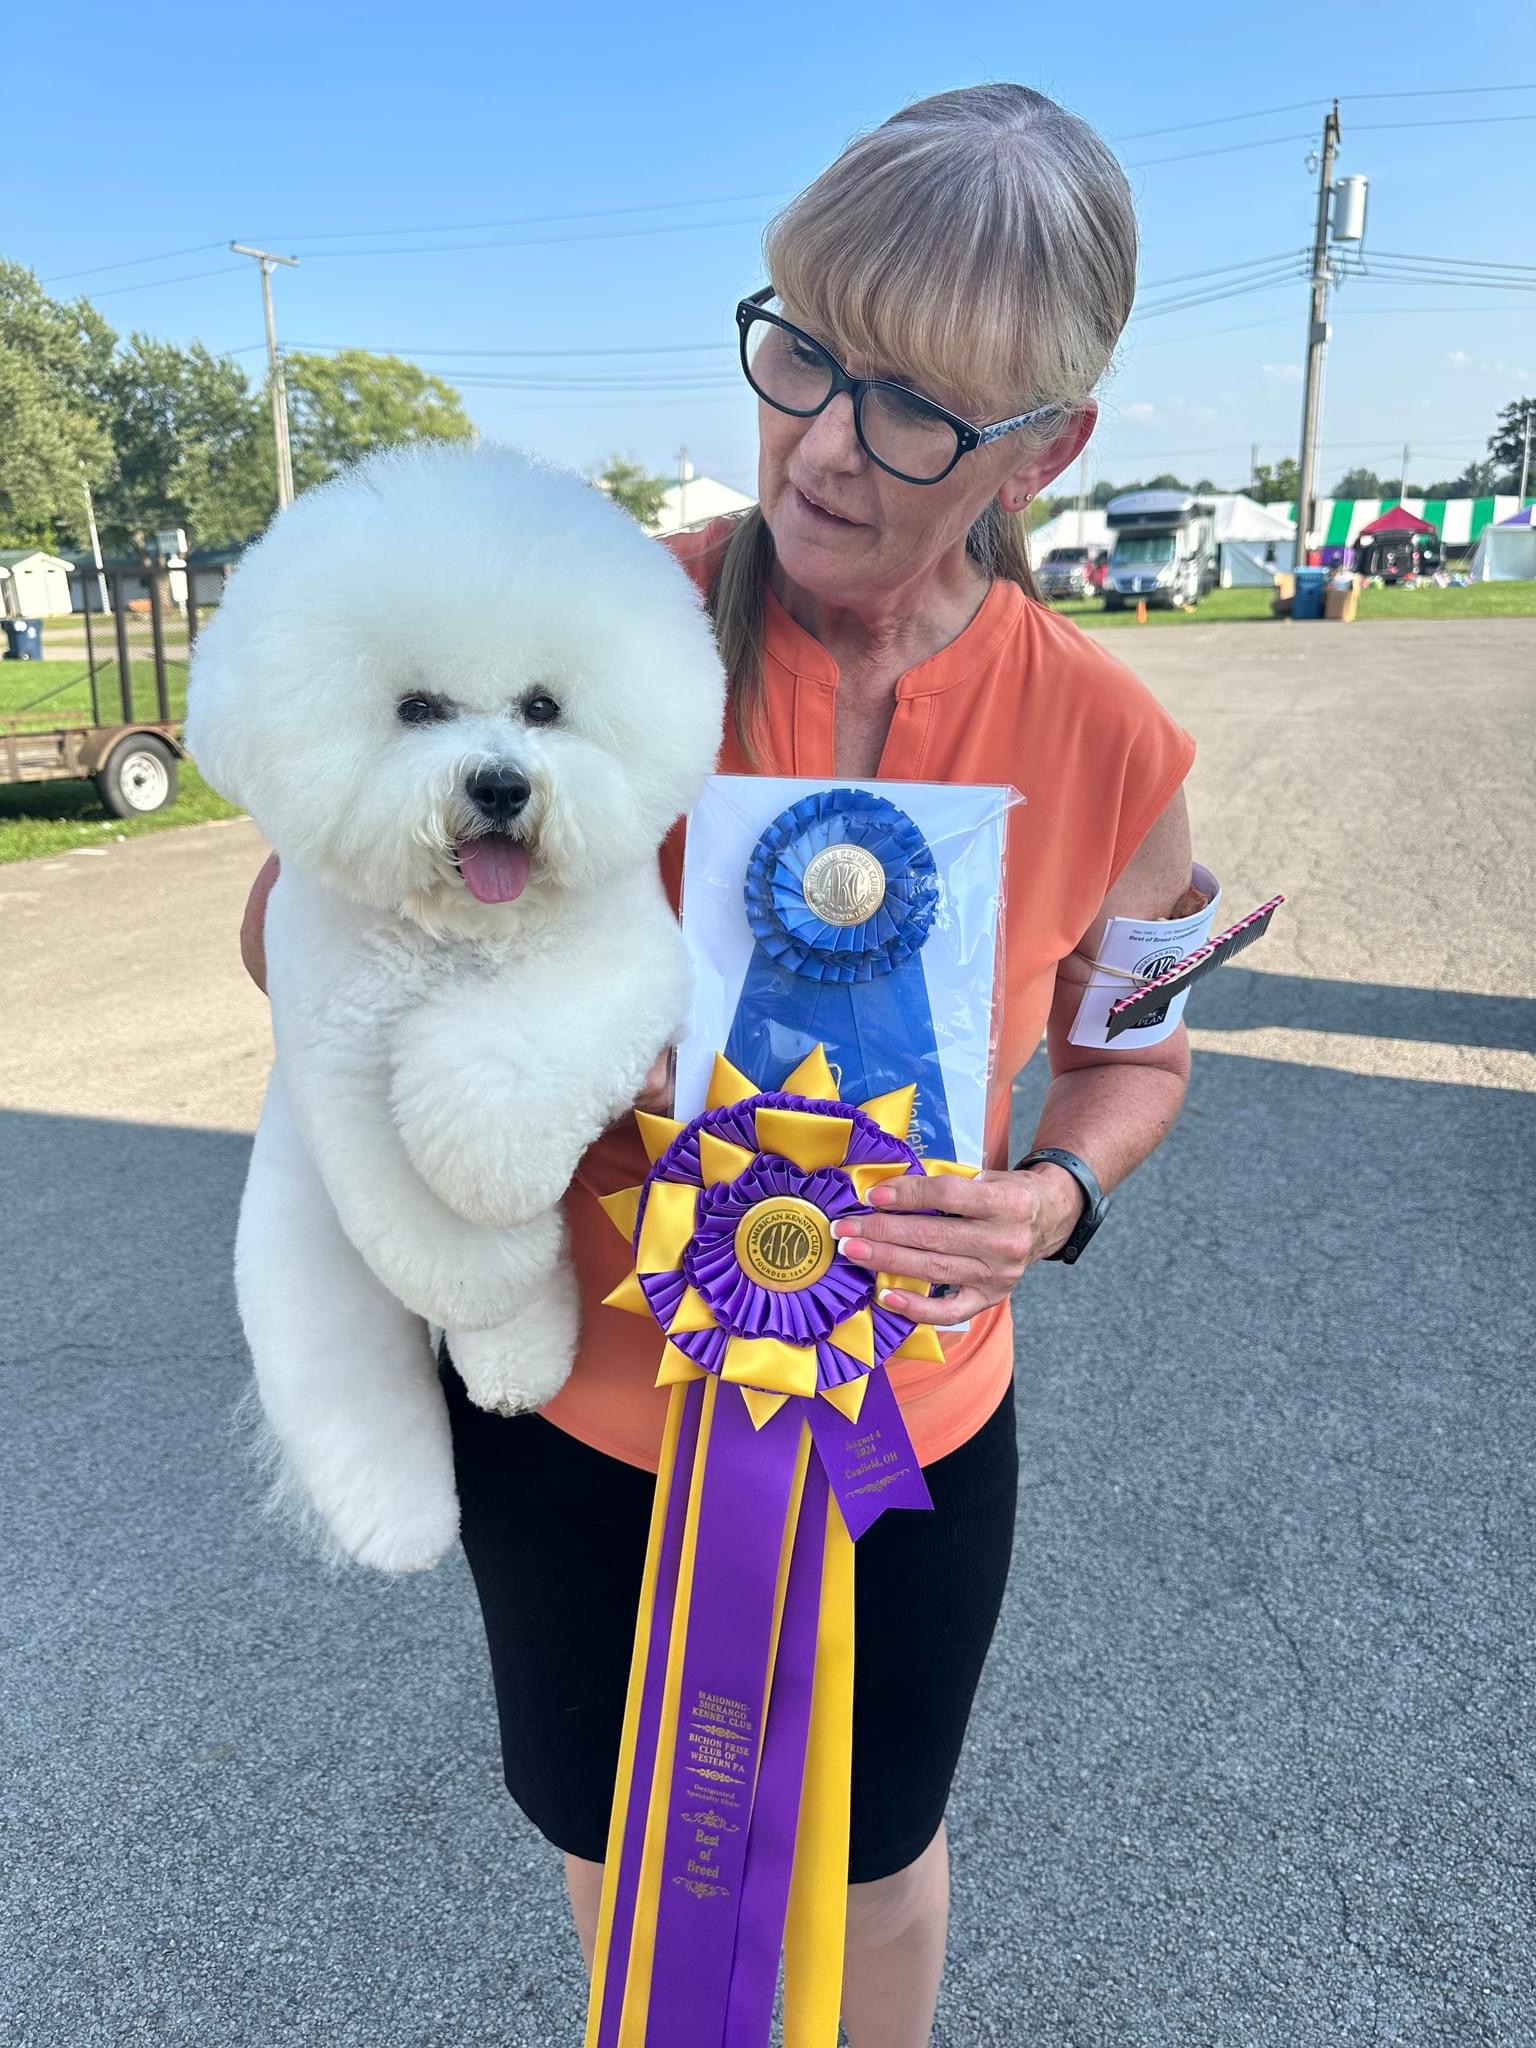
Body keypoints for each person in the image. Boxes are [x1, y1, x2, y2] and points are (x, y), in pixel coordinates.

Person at [241, 84, 1196, 2048]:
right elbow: (289, 910)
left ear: (1056, 444)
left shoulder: (1110, 738)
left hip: (902, 1427)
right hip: (582, 1431)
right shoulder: (588, 617)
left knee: (882, 1867)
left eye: (921, 406)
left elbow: (1140, 1044)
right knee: (634, 1869)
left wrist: (1058, 1187)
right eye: (802, 354)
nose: (827, 446)